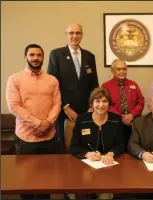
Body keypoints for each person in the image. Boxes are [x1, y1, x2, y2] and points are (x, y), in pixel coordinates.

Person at [6, 44, 61, 200]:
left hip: (48, 137)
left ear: (43, 57)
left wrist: (48, 123)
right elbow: (14, 106)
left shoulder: (52, 80)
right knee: (25, 181)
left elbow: (57, 103)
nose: (36, 58)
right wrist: (38, 123)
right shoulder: (15, 79)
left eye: (39, 55)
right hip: (25, 138)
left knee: (46, 181)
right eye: (32, 55)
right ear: (26, 57)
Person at [47, 23, 99, 151]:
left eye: (78, 33)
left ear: (82, 35)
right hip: (64, 111)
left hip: (86, 111)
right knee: (65, 146)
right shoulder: (56, 54)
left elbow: (94, 84)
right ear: (66, 35)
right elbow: (52, 85)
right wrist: (65, 107)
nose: (74, 36)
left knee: (85, 144)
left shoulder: (89, 56)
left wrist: (92, 106)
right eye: (71, 33)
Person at [70, 87, 124, 200]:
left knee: (106, 196)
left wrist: (111, 153)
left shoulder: (116, 120)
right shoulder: (82, 120)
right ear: (92, 103)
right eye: (97, 101)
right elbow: (74, 146)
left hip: (108, 168)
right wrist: (87, 154)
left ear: (109, 103)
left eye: (104, 101)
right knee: (79, 193)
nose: (101, 105)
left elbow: (120, 144)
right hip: (85, 168)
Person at [102, 59, 144, 152]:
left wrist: (131, 115)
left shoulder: (133, 84)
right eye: (118, 69)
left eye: (124, 69)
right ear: (112, 71)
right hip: (114, 124)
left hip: (132, 124)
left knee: (131, 150)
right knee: (117, 151)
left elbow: (141, 102)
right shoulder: (106, 86)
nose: (122, 72)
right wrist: (121, 117)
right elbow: (105, 105)